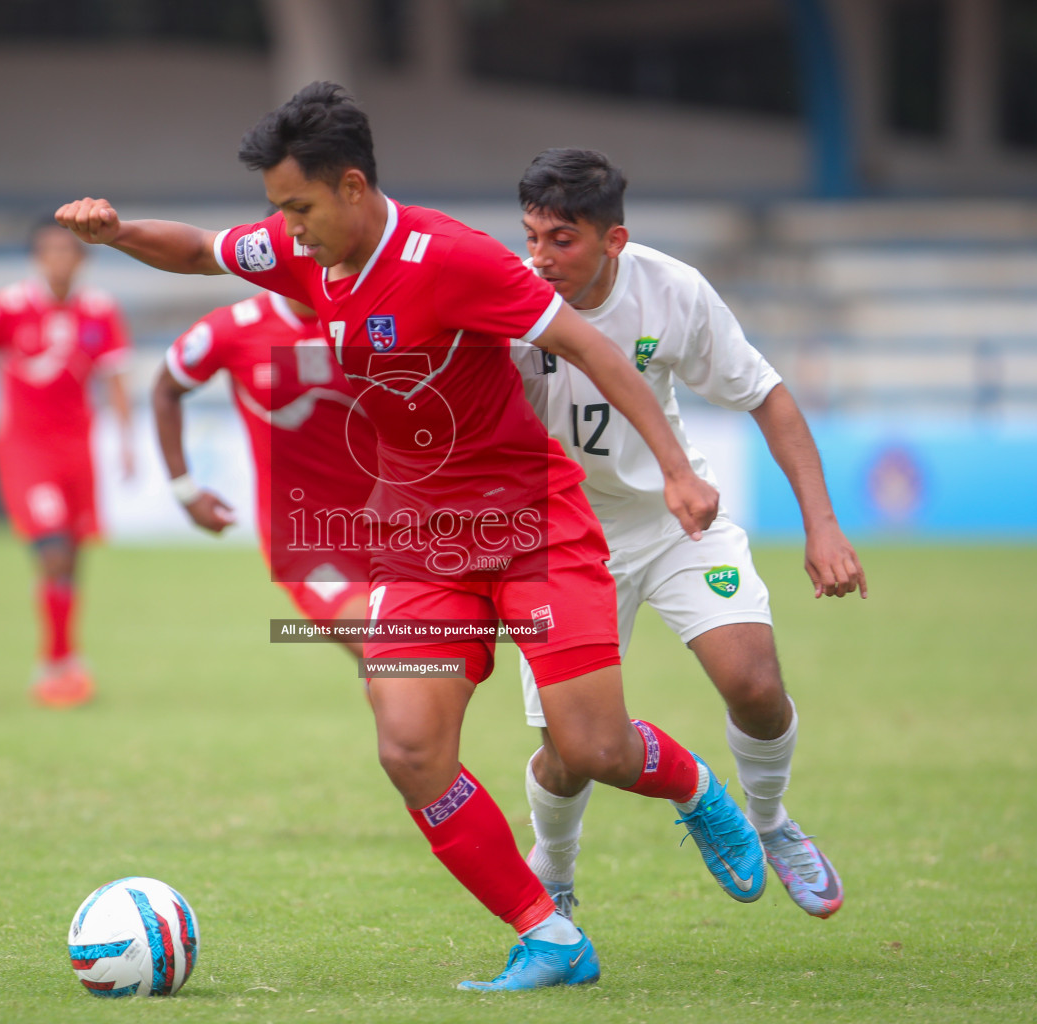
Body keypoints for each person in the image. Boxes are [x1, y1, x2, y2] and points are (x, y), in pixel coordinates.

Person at [57, 82, 765, 992]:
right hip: (418, 540)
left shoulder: (456, 260)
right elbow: (198, 249)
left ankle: (699, 791)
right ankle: (548, 935)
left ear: (353, 187)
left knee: (592, 749)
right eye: (277, 210)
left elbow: (587, 347)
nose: (285, 228)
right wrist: (113, 234)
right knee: (409, 750)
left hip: (531, 524)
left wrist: (674, 465)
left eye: (299, 208)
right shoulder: (299, 247)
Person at [510, 148, 867, 922]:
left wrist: (824, 526)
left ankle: (771, 824)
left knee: (756, 685)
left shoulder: (672, 292)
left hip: (673, 521)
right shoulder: (509, 303)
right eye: (532, 236)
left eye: (560, 239)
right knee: (573, 754)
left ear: (614, 240)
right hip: (557, 541)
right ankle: (557, 876)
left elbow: (766, 396)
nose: (539, 258)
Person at [0, 220, 135, 708]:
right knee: (51, 550)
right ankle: (55, 663)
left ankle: (65, 656)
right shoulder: (7, 308)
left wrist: (127, 440)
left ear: (82, 259)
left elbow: (115, 377)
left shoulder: (101, 311)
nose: (57, 259)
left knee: (71, 557)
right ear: (36, 257)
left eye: (66, 251)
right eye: (48, 250)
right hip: (26, 451)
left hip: (78, 450)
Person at [153, 291, 375, 656]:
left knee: (417, 676)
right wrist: (185, 491)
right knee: (391, 652)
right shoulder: (234, 328)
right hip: (307, 541)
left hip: (400, 531)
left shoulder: (377, 318)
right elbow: (166, 387)